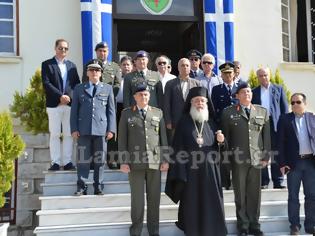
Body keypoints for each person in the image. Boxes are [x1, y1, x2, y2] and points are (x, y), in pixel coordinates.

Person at [165, 86, 227, 236]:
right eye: (196, 101)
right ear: (191, 103)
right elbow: (177, 148)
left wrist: (221, 142)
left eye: (202, 101)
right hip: (190, 171)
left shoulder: (211, 123)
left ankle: (212, 230)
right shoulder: (183, 122)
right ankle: (192, 230)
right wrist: (180, 171)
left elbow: (220, 149)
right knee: (192, 202)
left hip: (210, 172)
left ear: (206, 104)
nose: (200, 103)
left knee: (211, 202)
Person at [118, 83, 169, 236]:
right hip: (135, 163)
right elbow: (122, 140)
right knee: (137, 201)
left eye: (146, 94)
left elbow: (163, 139)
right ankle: (136, 231)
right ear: (134, 97)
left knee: (154, 200)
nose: (144, 97)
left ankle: (154, 231)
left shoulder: (157, 113)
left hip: (154, 162)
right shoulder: (127, 114)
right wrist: (123, 161)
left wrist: (165, 159)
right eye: (140, 95)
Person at [221, 83, 271, 236]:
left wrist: (266, 156)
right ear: (237, 96)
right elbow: (226, 139)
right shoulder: (228, 112)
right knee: (240, 195)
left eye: (249, 92)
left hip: (256, 159)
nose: (247, 94)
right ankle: (242, 225)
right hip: (238, 160)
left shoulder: (262, 111)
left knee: (255, 194)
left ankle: (254, 224)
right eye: (243, 92)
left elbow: (266, 137)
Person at [70, 62, 116, 195]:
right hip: (83, 130)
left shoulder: (107, 88)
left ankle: (98, 186)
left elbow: (111, 111)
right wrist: (74, 128)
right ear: (87, 73)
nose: (94, 72)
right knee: (83, 159)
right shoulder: (79, 88)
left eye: (97, 70)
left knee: (100, 160)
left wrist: (111, 129)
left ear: (101, 73)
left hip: (101, 130)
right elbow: (74, 111)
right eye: (92, 70)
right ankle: (81, 186)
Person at [277, 93, 315, 235]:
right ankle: (295, 225)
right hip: (294, 164)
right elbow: (280, 143)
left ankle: (311, 225)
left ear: (304, 103)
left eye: (298, 102)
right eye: (292, 103)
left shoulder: (312, 118)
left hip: (311, 162)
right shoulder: (285, 119)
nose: (294, 105)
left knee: (311, 195)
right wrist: (282, 163)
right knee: (293, 196)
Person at [41, 38, 80, 171]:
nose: (63, 50)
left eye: (65, 48)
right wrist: (60, 96)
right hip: (54, 105)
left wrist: (68, 96)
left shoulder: (72, 66)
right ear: (55, 48)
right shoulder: (47, 64)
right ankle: (56, 162)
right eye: (60, 48)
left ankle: (68, 162)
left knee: (69, 134)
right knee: (55, 134)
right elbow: (46, 83)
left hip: (69, 104)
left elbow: (76, 84)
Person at [252, 67, 288, 189]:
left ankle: (278, 180)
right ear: (258, 78)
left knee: (276, 151)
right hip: (260, 124)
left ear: (270, 75)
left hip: (275, 123)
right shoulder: (254, 91)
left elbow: (284, 109)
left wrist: (285, 126)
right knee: (262, 151)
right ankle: (264, 181)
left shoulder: (279, 89)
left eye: (265, 75)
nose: (264, 78)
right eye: (261, 76)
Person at [211, 62, 242, 190]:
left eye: (230, 73)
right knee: (224, 155)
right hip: (223, 127)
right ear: (221, 75)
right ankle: (225, 182)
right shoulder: (217, 89)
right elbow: (213, 109)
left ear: (234, 74)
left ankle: (237, 182)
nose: (228, 75)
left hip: (238, 127)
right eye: (225, 73)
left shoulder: (240, 88)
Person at [163, 58, 201, 142]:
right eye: (182, 65)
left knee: (192, 145)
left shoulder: (197, 83)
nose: (185, 67)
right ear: (178, 68)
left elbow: (200, 103)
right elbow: (166, 104)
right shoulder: (170, 84)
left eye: (187, 65)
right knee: (176, 146)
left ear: (190, 67)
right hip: (176, 122)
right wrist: (168, 121)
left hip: (192, 121)